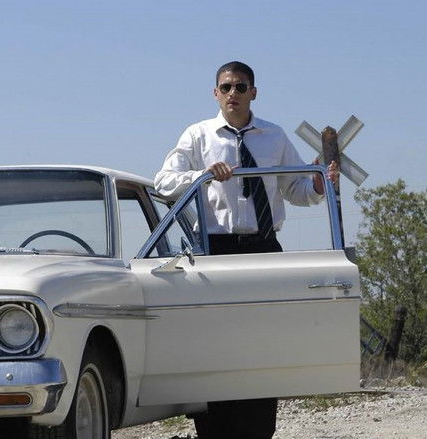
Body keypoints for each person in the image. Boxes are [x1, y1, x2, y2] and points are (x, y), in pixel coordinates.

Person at [154, 61, 339, 438]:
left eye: (241, 87)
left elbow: (296, 190)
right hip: (215, 249)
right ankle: (213, 427)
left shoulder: (274, 136)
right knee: (214, 343)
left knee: (263, 341)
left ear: (254, 92)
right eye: (226, 87)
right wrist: (204, 174)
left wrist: (320, 186)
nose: (233, 94)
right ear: (215, 93)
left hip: (264, 248)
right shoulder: (198, 135)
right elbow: (164, 181)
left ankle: (258, 428)